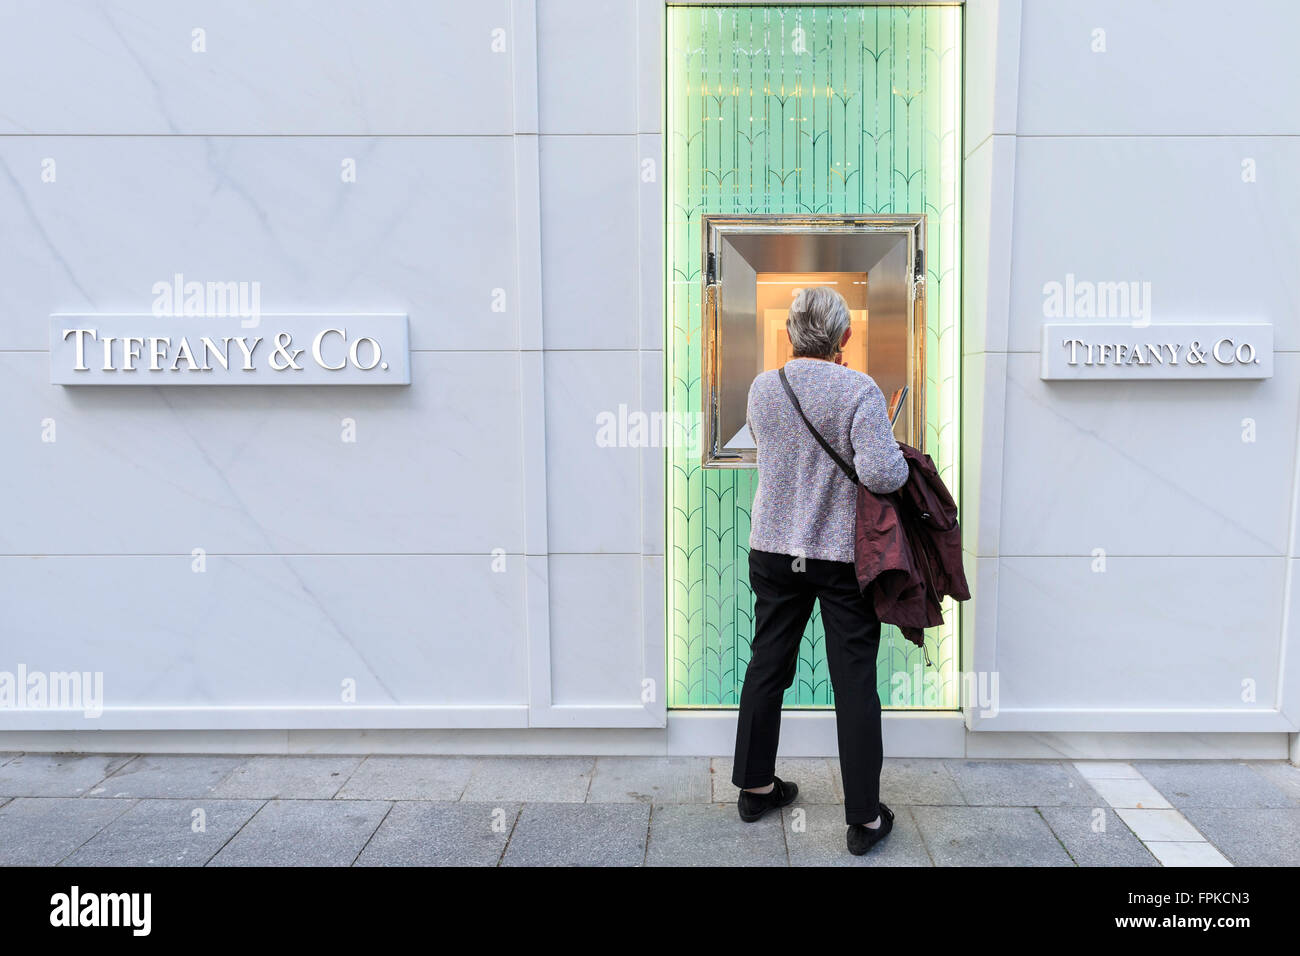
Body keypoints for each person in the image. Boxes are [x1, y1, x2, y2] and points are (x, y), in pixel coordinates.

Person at [731, 285, 910, 856]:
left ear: (788, 333)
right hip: (838, 557)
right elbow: (882, 475)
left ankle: (756, 787)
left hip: (775, 551)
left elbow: (773, 452)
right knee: (854, 681)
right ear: (846, 336)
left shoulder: (765, 386)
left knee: (767, 664)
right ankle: (864, 819)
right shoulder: (858, 388)